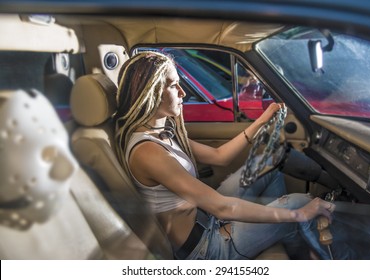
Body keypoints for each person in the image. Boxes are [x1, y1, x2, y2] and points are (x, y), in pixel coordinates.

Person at [114, 51, 351, 260]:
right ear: (150, 93)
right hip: (207, 249)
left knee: (267, 166)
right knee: (303, 204)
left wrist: (264, 118)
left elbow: (219, 156)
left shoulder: (163, 133)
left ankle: (279, 233)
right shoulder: (148, 151)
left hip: (206, 218)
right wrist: (296, 213)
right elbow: (221, 207)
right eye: (173, 85)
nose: (183, 92)